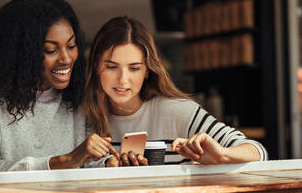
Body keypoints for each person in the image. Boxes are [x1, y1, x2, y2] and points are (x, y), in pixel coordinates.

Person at [83, 16, 268, 166]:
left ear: (148, 70)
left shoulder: (178, 111)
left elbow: (257, 151)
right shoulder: (80, 119)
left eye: (134, 68)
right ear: (96, 66)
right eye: (112, 67)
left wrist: (221, 155)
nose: (123, 80)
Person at [0, 0, 118, 171]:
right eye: (51, 50)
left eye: (71, 46)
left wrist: (109, 163)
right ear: (23, 53)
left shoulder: (77, 88)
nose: (66, 59)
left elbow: (87, 162)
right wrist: (62, 161)